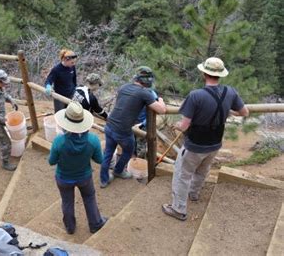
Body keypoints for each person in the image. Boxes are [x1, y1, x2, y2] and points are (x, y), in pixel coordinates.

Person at [162, 57, 248, 221]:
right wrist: (228, 112)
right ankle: (193, 194)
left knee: (182, 174)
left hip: (195, 144)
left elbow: (185, 125)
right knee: (202, 170)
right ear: (220, 75)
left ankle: (178, 209)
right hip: (215, 143)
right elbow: (245, 112)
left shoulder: (196, 95)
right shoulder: (230, 92)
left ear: (204, 73)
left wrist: (177, 126)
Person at [100, 66, 167, 188]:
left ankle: (104, 180)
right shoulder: (145, 93)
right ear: (148, 81)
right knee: (128, 150)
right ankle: (118, 171)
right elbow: (161, 110)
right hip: (123, 130)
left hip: (110, 125)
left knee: (108, 153)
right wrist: (161, 100)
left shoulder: (124, 87)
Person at [48, 101, 107, 235]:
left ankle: (70, 227)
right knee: (89, 198)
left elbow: (51, 162)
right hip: (84, 177)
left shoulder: (59, 141)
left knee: (67, 201)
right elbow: (100, 160)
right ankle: (95, 224)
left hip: (63, 178)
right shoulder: (93, 140)